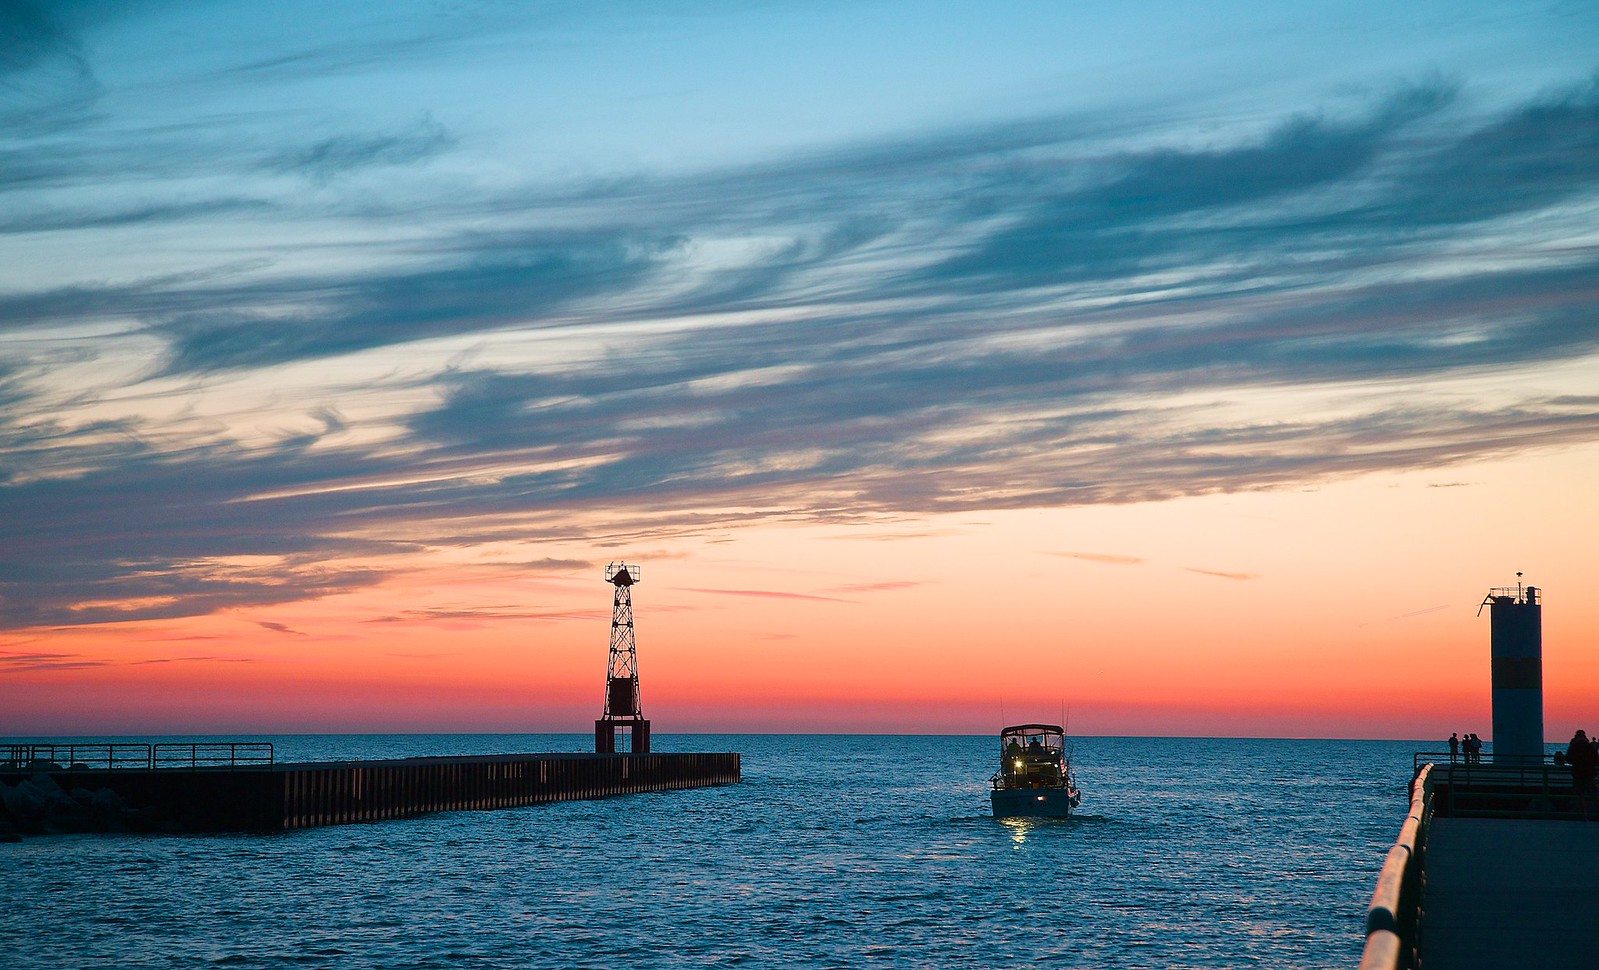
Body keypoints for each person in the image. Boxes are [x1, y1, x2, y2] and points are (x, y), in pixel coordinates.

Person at [1566, 729, 1597, 818]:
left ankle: (1584, 815)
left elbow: (1568, 759)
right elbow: (1596, 759)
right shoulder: (1590, 746)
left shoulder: (1574, 746)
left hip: (1578, 774)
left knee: (1580, 796)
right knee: (1594, 795)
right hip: (1589, 774)